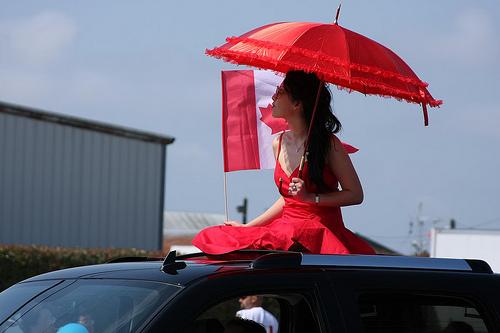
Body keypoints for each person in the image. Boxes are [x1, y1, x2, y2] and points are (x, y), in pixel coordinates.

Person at [193, 70, 375, 255]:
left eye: (280, 92)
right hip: (286, 227)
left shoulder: (329, 144)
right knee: (216, 235)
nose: (273, 96)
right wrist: (247, 226)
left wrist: (311, 198)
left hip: (319, 230)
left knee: (289, 238)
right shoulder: (278, 143)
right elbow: (287, 199)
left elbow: (355, 194)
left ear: (297, 104)